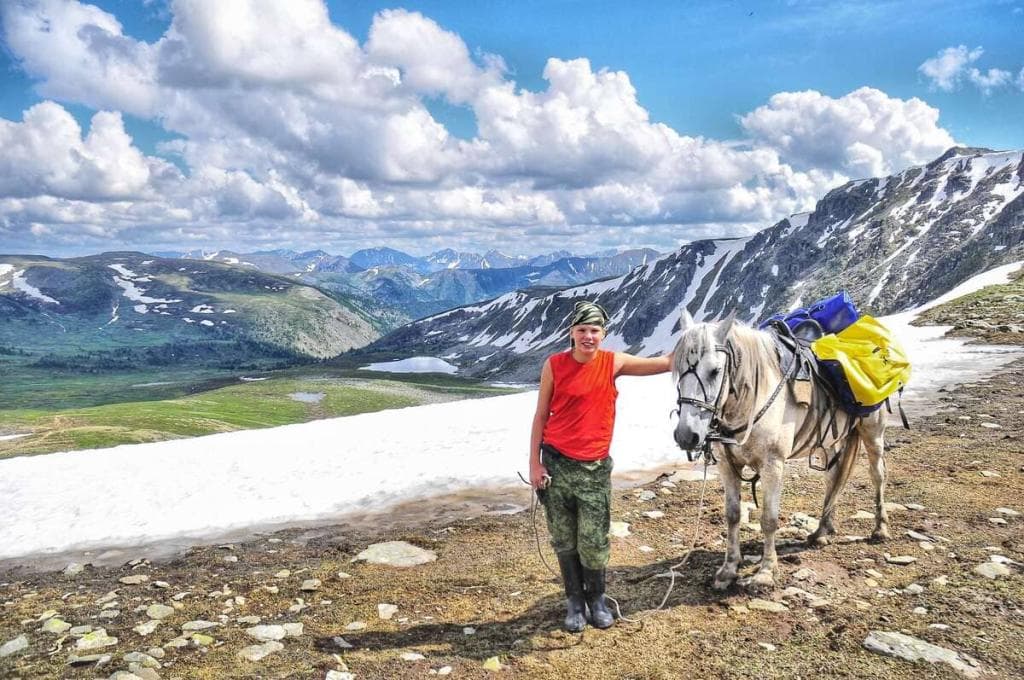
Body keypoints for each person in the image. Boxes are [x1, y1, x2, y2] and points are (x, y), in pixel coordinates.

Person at [529, 301, 673, 632]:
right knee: (564, 539)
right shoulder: (554, 365)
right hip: (556, 465)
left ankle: (597, 599)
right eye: (582, 330)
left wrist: (698, 344)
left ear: (603, 334)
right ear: (571, 333)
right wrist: (534, 463)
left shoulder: (613, 362)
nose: (588, 337)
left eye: (594, 331)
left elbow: (665, 363)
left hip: (594, 470)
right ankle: (574, 602)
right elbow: (540, 415)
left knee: (593, 541)